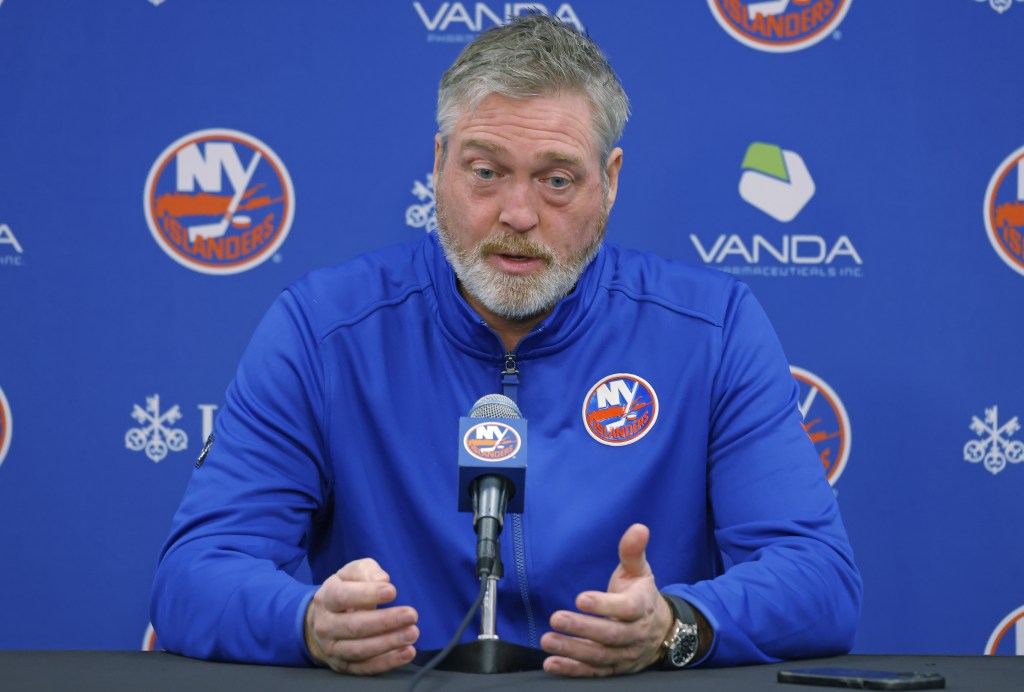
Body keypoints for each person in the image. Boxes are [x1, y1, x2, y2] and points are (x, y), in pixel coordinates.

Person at [151, 14, 861, 677]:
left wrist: (677, 623)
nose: (517, 215)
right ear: (438, 164)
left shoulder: (712, 330)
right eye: (486, 172)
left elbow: (817, 577)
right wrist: (305, 620)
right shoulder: (323, 330)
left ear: (609, 182)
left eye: (556, 181)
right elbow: (196, 573)